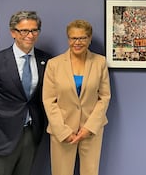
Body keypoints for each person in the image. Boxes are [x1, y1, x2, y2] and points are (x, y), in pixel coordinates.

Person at [0, 11, 51, 175]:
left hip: (30, 133)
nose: (30, 35)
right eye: (24, 31)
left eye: (34, 30)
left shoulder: (46, 60)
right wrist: (0, 117)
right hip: (0, 134)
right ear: (13, 32)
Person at [42, 19, 111, 175]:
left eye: (82, 38)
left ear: (89, 39)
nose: (78, 42)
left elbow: (105, 97)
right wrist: (63, 131)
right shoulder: (54, 64)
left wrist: (89, 127)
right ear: (68, 39)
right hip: (62, 131)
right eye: (74, 38)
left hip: (91, 130)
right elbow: (48, 100)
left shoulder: (100, 62)